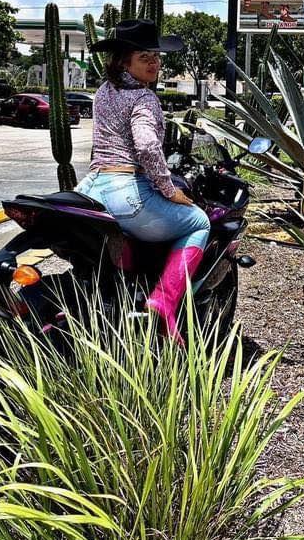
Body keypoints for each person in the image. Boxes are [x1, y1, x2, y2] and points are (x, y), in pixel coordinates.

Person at [76, 18, 210, 345]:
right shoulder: (144, 98)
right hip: (126, 192)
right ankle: (163, 302)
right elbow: (148, 145)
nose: (154, 63)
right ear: (124, 60)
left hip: (91, 188)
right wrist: (169, 189)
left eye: (156, 56)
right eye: (143, 57)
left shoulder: (104, 92)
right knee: (199, 223)